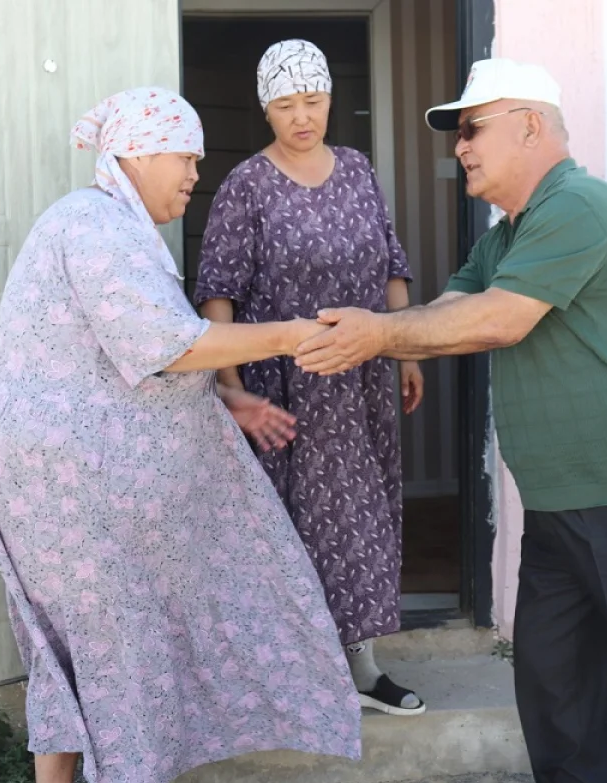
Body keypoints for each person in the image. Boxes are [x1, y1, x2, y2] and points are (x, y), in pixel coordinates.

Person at [293, 57, 607, 783]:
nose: (461, 147)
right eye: (459, 135)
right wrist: (392, 332)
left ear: (532, 126)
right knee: (561, 700)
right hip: (556, 507)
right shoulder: (505, 235)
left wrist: (378, 333)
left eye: (473, 128)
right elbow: (453, 311)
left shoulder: (581, 205)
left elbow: (499, 319)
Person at [0, 87, 361, 783]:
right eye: (185, 156)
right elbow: (165, 343)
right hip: (65, 488)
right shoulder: (93, 225)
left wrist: (224, 396)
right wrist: (292, 332)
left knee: (75, 655)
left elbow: (127, 357)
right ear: (140, 152)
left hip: (54, 480)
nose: (193, 174)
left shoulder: (107, 227)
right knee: (118, 652)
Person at [194, 39, 426, 716]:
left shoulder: (357, 170)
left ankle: (363, 668)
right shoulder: (246, 186)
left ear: (330, 99)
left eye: (315, 101)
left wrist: (408, 350)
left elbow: (390, 264)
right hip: (284, 389)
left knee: (362, 517)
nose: (303, 116)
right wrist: (233, 388)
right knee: (287, 529)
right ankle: (293, 677)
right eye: (288, 104)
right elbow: (218, 296)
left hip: (359, 381)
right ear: (266, 108)